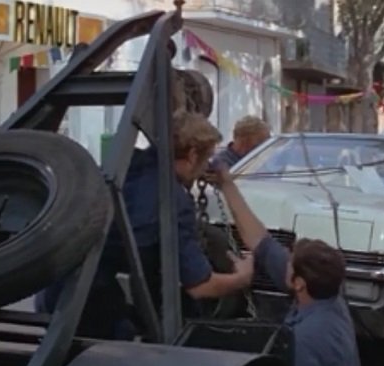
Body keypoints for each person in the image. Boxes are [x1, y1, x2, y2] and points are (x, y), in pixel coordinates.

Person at [35, 111, 254, 339]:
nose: (205, 167)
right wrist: (241, 278)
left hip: (53, 292)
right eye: (206, 158)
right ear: (191, 155)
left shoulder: (126, 166)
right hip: (89, 307)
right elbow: (201, 286)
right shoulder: (173, 200)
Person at [207, 162, 364, 366]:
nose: (285, 262)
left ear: (299, 283)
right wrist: (227, 184)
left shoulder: (311, 336)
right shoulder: (326, 293)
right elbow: (261, 242)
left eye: (290, 262)